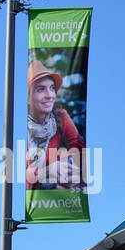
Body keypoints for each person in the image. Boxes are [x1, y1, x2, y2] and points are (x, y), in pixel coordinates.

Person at [26, 60, 85, 189]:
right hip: (36, 199)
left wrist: (69, 166)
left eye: (52, 88)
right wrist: (46, 171)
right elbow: (23, 179)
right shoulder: (22, 126)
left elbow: (79, 151)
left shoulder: (60, 116)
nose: (49, 95)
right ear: (29, 98)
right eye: (41, 89)